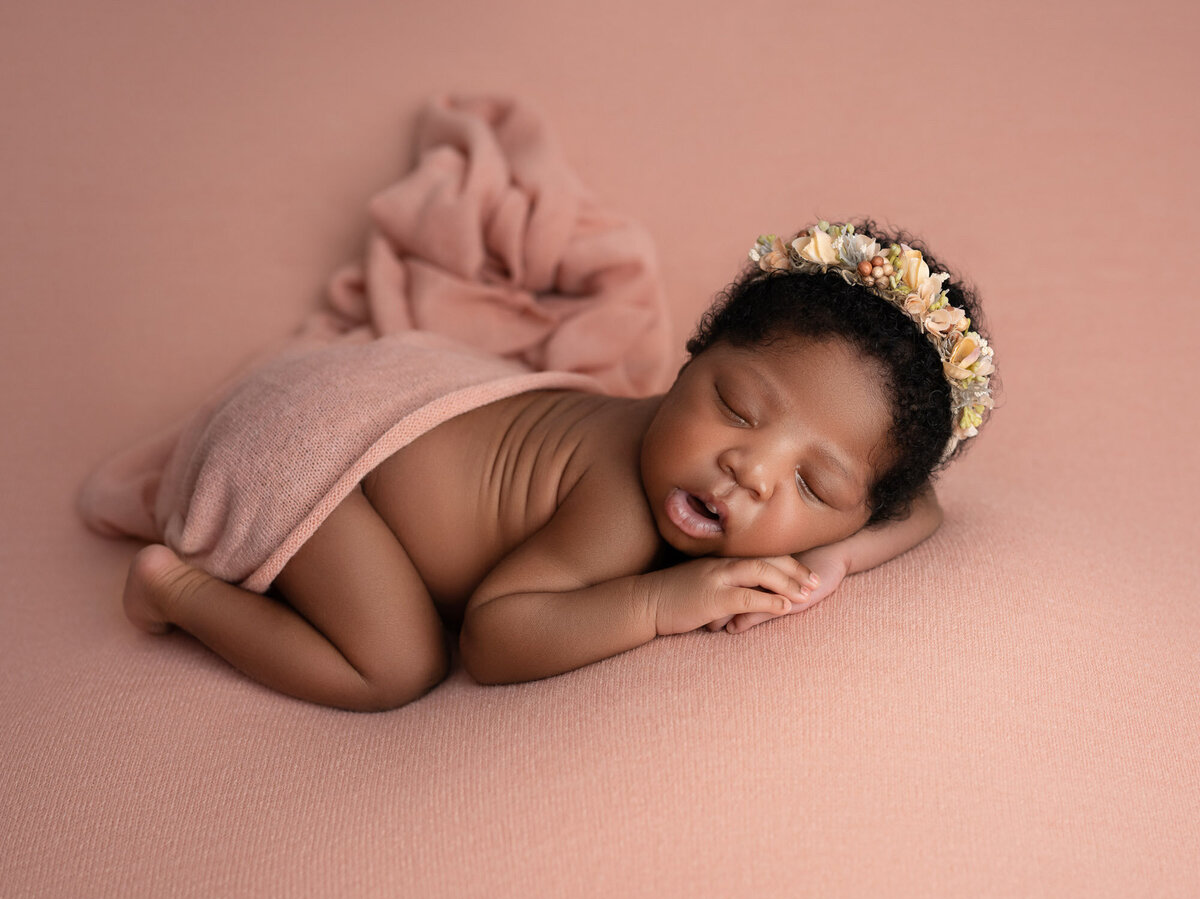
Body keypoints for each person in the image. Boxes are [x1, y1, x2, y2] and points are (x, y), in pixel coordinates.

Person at [121, 220, 998, 711]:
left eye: (815, 485)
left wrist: (832, 560)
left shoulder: (825, 511)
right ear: (687, 363)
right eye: (736, 407)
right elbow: (495, 636)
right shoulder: (618, 500)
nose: (750, 469)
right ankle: (175, 592)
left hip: (384, 408)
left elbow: (920, 509)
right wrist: (659, 602)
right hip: (325, 454)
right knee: (395, 667)